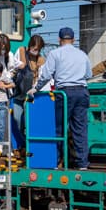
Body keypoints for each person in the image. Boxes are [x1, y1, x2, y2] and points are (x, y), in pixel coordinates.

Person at [29, 27, 92, 170]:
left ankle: (57, 161)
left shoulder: (55, 54)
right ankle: (83, 163)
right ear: (73, 40)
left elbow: (46, 75)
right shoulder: (82, 54)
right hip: (82, 92)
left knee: (59, 128)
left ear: (59, 40)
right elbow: (88, 74)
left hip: (65, 93)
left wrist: (36, 88)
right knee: (80, 129)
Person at [11, 35, 46, 156]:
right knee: (16, 119)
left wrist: (35, 88)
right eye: (34, 48)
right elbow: (13, 67)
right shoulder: (21, 51)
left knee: (28, 121)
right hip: (18, 92)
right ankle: (21, 144)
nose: (35, 51)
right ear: (30, 45)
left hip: (30, 94)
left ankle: (28, 145)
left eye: (38, 49)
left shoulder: (41, 60)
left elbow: (41, 77)